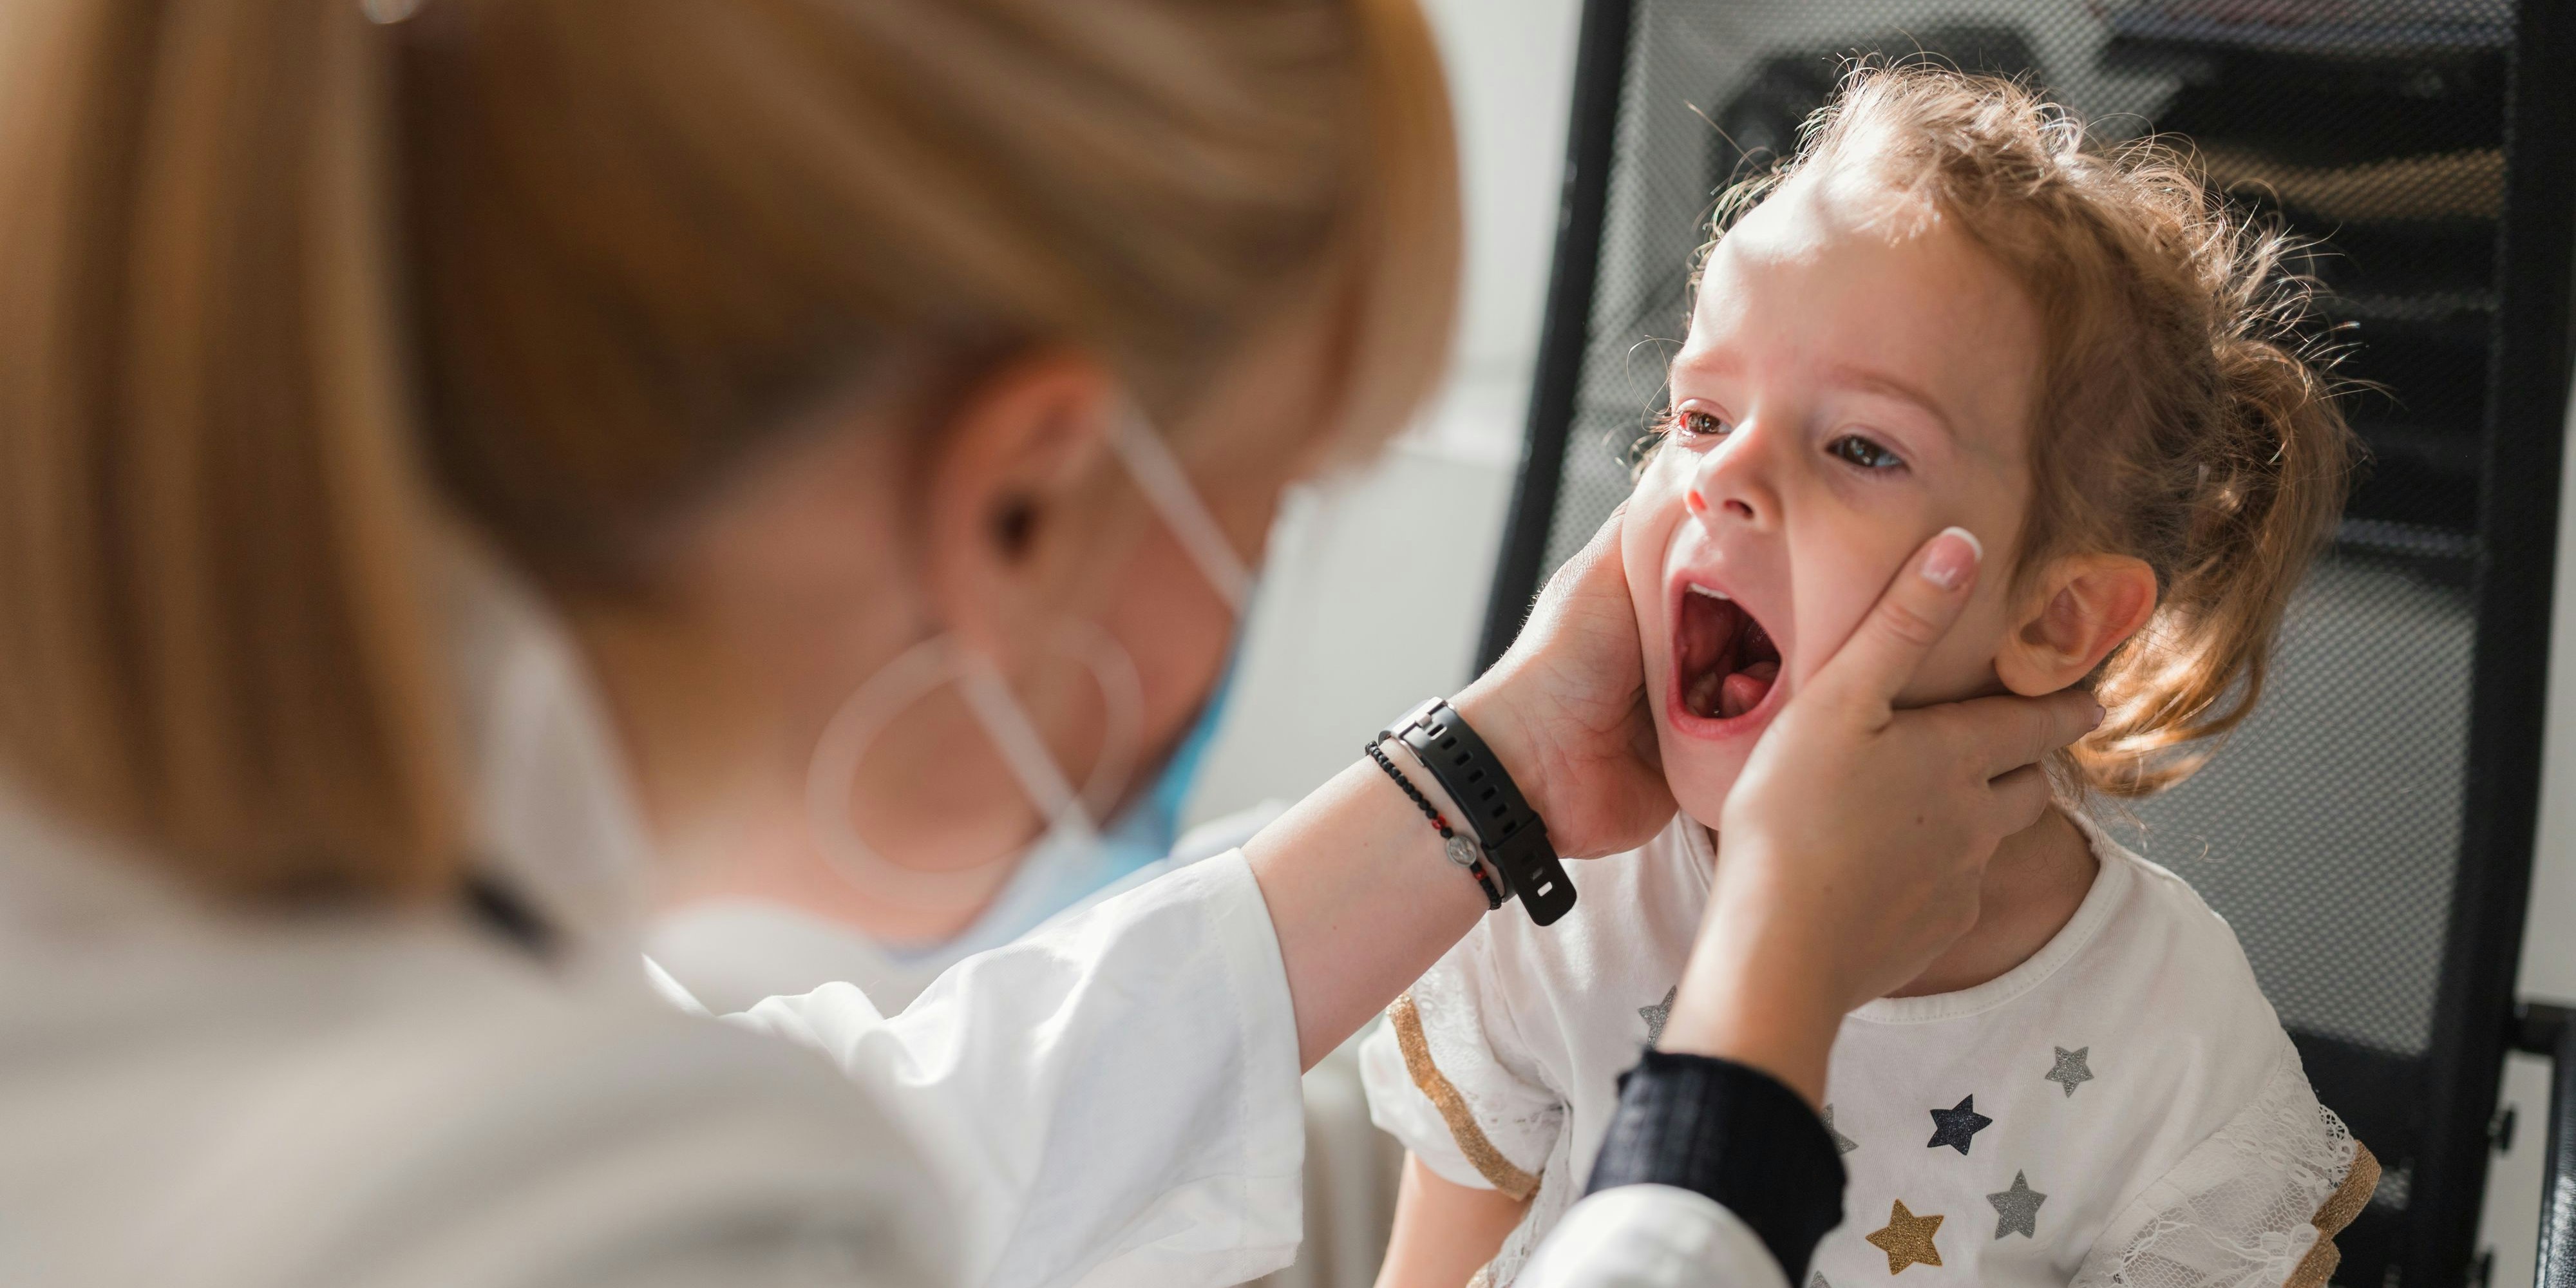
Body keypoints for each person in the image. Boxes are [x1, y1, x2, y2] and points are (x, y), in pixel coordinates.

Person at [0, 5, 2096, 1287]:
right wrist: (1760, 1040)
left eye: (1846, 447)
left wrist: (1501, 778)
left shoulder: (249, 882)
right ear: (1022, 492)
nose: (1718, 496)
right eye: (1275, 495)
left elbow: (907, 1155)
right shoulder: (559, 1193)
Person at [1362, 68, 2377, 1288]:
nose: (1722, 478)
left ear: (2058, 617)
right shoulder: (1565, 894)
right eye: (1698, 417)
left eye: (1858, 447)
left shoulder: (2173, 1040)